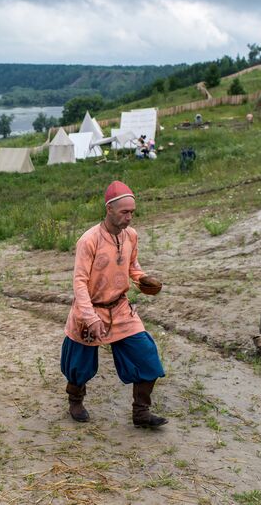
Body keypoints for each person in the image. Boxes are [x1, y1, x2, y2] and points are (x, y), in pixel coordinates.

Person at [60, 181, 168, 429]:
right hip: (89, 310)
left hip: (120, 308)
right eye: (124, 212)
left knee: (147, 356)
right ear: (109, 209)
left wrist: (142, 279)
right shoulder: (89, 240)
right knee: (79, 365)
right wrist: (91, 318)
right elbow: (79, 283)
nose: (129, 218)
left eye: (132, 212)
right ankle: (75, 401)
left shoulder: (131, 235)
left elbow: (132, 266)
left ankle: (141, 412)